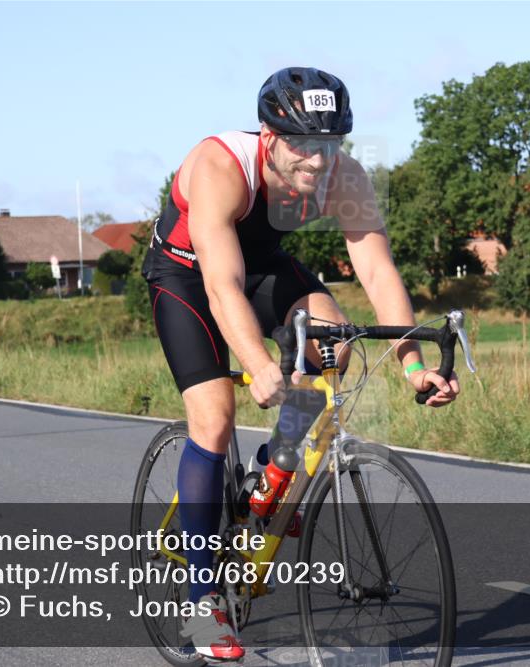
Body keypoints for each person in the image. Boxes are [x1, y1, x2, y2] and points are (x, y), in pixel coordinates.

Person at [141, 66, 459, 662]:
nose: (316, 160)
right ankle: (202, 602)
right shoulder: (218, 166)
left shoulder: (346, 176)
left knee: (334, 344)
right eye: (302, 144)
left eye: (329, 143)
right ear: (269, 138)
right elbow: (222, 286)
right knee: (214, 414)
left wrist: (413, 365)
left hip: (262, 265)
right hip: (189, 274)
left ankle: (273, 466)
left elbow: (377, 270)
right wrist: (260, 363)